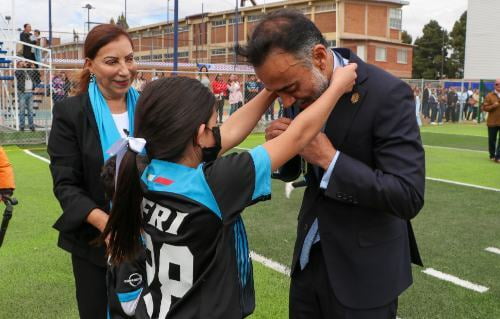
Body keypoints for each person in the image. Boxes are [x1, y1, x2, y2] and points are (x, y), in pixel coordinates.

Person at [101, 62, 356, 318]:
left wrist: (270, 90)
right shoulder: (214, 184)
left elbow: (230, 131)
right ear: (200, 135)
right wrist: (337, 86)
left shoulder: (142, 169)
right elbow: (298, 136)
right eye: (213, 127)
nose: (219, 133)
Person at [238, 9, 425, 318]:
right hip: (308, 263)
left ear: (320, 57)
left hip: (365, 274)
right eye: (276, 91)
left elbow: (408, 195)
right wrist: (283, 149)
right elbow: (299, 167)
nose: (285, 102)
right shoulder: (300, 85)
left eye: (289, 89)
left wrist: (330, 158)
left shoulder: (388, 93)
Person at [47, 24, 139, 319]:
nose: (125, 70)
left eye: (130, 58)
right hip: (95, 245)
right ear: (90, 65)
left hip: (151, 238)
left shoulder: (152, 107)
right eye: (112, 61)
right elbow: (66, 185)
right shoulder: (70, 113)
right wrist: (107, 224)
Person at [15, 61, 37, 131]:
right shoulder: (18, 71)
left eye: (23, 63)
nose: (24, 64)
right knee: (22, 111)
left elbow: (37, 76)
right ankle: (22, 126)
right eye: (21, 63)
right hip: (22, 93)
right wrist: (22, 67)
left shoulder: (29, 71)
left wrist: (33, 68)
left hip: (30, 92)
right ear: (18, 65)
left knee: (30, 111)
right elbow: (19, 75)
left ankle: (31, 126)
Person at [482, 79, 500, 162]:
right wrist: (493, 105)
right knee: (492, 140)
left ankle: (498, 156)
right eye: (497, 84)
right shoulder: (489, 96)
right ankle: (492, 155)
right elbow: (484, 108)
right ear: (494, 85)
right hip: (492, 122)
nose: (499, 85)